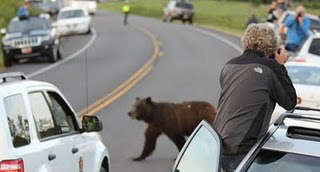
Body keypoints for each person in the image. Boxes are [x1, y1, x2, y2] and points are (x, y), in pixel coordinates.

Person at [213, 23, 297, 172]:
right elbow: (290, 102)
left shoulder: (229, 66)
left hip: (218, 149)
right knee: (290, 159)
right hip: (243, 152)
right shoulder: (271, 67)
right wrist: (281, 66)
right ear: (272, 46)